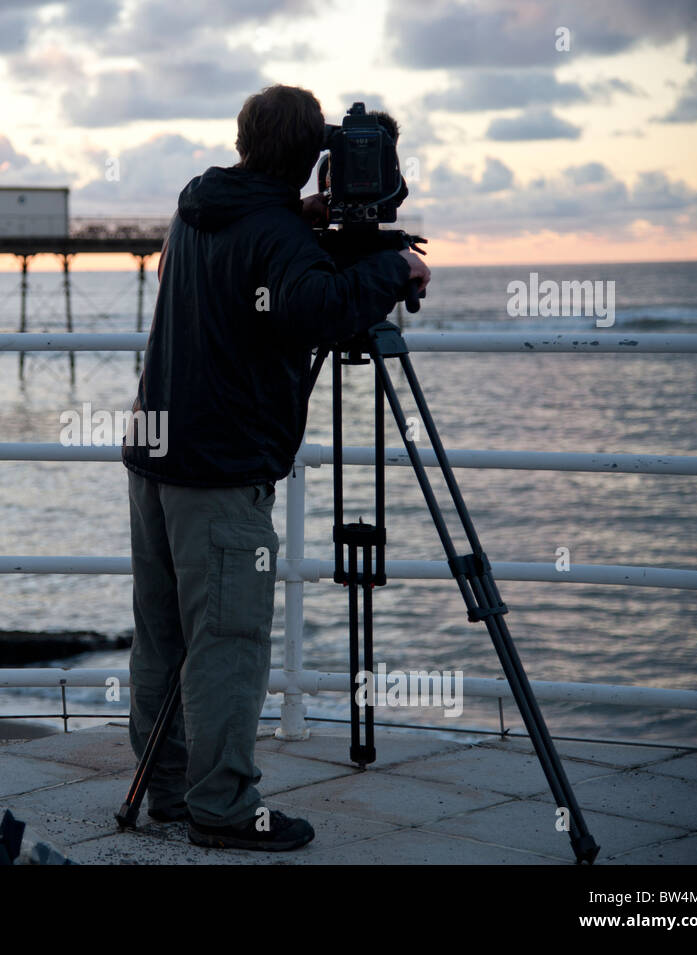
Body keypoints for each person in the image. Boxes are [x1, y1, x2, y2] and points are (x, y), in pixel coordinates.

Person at [121, 84, 430, 851]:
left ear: (243, 141)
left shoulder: (199, 203)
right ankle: (222, 808)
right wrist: (393, 268)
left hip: (156, 454)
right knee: (228, 638)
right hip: (221, 470)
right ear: (309, 156)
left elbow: (257, 254)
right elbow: (320, 308)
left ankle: (167, 789)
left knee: (163, 634)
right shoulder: (279, 238)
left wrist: (300, 216)